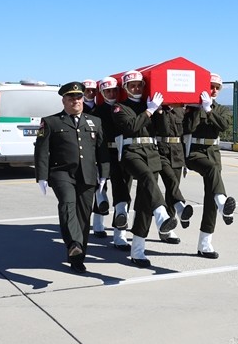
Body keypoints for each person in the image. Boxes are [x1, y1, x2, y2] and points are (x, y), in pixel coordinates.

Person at [34, 82, 110, 273]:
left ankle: (77, 257)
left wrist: (104, 175)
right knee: (68, 205)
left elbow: (102, 151)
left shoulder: (95, 122)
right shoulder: (51, 122)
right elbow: (41, 151)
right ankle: (74, 243)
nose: (75, 101)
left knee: (84, 218)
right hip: (62, 173)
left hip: (88, 175)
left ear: (83, 99)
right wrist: (41, 176)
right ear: (64, 101)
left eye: (78, 97)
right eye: (71, 98)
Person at [111, 70, 179, 269]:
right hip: (132, 152)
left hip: (152, 152)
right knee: (147, 177)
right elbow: (131, 127)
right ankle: (162, 215)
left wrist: (161, 111)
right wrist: (149, 111)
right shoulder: (119, 107)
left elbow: (165, 129)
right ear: (125, 88)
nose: (136, 88)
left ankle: (137, 251)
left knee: (144, 203)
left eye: (140, 85)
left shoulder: (150, 104)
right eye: (132, 86)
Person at [184, 73, 238, 258]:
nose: (213, 90)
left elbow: (223, 125)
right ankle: (223, 204)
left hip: (213, 152)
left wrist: (209, 110)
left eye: (217, 87)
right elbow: (188, 128)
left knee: (211, 198)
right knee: (213, 174)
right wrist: (199, 108)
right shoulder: (191, 108)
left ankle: (204, 244)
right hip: (194, 151)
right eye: (211, 86)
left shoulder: (220, 109)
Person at [92, 76, 132, 249]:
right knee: (101, 189)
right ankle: (98, 223)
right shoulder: (96, 112)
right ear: (102, 92)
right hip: (103, 152)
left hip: (122, 152)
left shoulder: (125, 108)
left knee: (123, 190)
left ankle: (119, 234)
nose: (112, 93)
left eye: (114, 90)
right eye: (107, 91)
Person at [152, 100, 193, 245]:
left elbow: (188, 132)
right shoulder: (156, 108)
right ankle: (181, 208)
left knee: (171, 191)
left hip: (177, 152)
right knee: (171, 181)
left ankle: (166, 228)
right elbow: (162, 129)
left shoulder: (182, 110)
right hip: (160, 150)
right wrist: (160, 111)